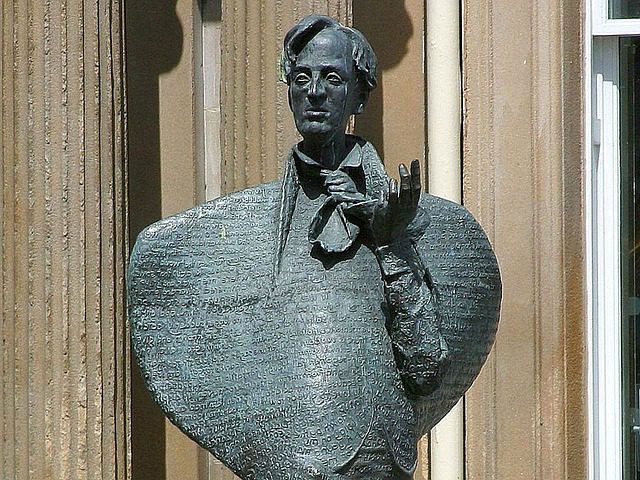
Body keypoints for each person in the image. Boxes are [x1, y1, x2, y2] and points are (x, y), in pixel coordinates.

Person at [128, 15, 500, 480]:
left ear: (359, 95)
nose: (315, 91)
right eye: (301, 77)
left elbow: (426, 371)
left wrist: (391, 250)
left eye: (332, 77)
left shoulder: (410, 219)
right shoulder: (238, 228)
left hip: (376, 461)